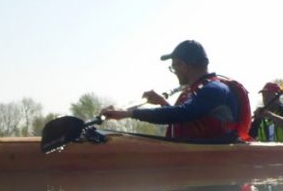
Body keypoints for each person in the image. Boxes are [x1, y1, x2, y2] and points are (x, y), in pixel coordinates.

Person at [99, 40, 251, 141]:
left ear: (183, 66)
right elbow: (189, 116)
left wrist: (128, 113)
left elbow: (183, 113)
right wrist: (163, 103)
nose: (175, 71)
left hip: (216, 162)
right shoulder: (199, 90)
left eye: (174, 67)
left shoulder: (214, 89)